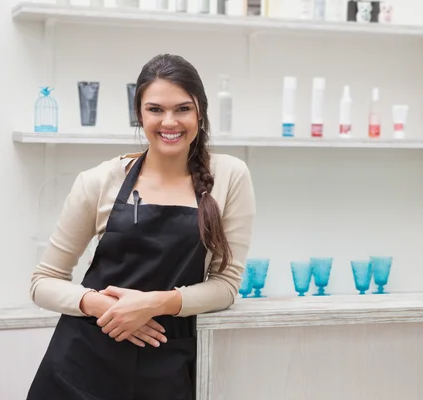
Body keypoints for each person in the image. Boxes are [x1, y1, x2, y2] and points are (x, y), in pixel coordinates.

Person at [26, 53, 256, 400]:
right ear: (139, 114)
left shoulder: (230, 176)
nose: (169, 121)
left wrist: (155, 304)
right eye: (155, 109)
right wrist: (100, 305)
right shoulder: (99, 180)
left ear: (200, 113)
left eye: (182, 109)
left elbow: (226, 286)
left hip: (167, 367)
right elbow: (42, 282)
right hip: (81, 364)